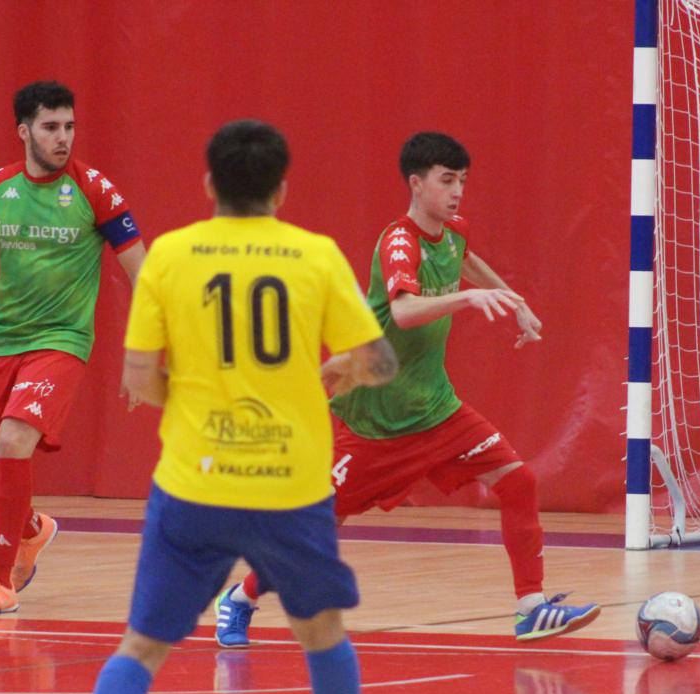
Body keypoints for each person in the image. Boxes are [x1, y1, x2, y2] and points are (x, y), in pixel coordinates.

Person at [54, 120, 397, 694]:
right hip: (289, 485)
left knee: (142, 645)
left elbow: (139, 379)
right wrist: (340, 370)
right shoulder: (315, 255)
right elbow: (381, 363)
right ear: (282, 189)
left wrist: (193, 397)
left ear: (209, 183)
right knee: (321, 631)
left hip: (195, 482)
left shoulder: (171, 257)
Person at [215, 132, 600, 647]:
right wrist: (468, 300)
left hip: (436, 409)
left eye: (462, 181)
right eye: (447, 180)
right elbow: (403, 311)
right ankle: (240, 598)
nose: (457, 191)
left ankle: (531, 607)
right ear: (417, 184)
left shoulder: (453, 232)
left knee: (518, 481)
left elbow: (466, 257)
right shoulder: (399, 241)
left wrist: (515, 301)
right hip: (377, 421)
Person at [0, 80, 146, 614]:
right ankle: (32, 529)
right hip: (0, 339)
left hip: (61, 340)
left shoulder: (95, 190)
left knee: (14, 437)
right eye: (51, 127)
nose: (64, 137)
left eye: (70, 126)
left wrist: (144, 352)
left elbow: (143, 274)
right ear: (24, 131)